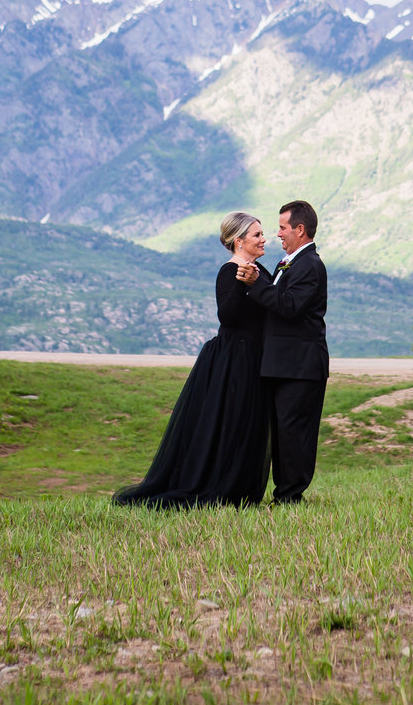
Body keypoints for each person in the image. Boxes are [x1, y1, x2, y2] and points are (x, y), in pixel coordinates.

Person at [112, 212, 271, 508]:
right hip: (236, 358)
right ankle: (221, 488)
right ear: (239, 241)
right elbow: (227, 315)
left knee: (250, 424)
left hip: (256, 355)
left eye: (263, 234)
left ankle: (242, 489)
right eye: (258, 235)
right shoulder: (231, 271)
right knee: (231, 423)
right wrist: (246, 286)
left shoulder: (257, 268)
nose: (265, 239)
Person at [238, 199, 328, 505]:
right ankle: (284, 493)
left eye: (282, 227)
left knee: (295, 433)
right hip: (284, 364)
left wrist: (255, 285)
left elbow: (289, 306)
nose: (277, 234)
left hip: (301, 366)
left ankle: (291, 496)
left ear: (300, 230)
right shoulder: (289, 262)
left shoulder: (310, 265)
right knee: (282, 432)